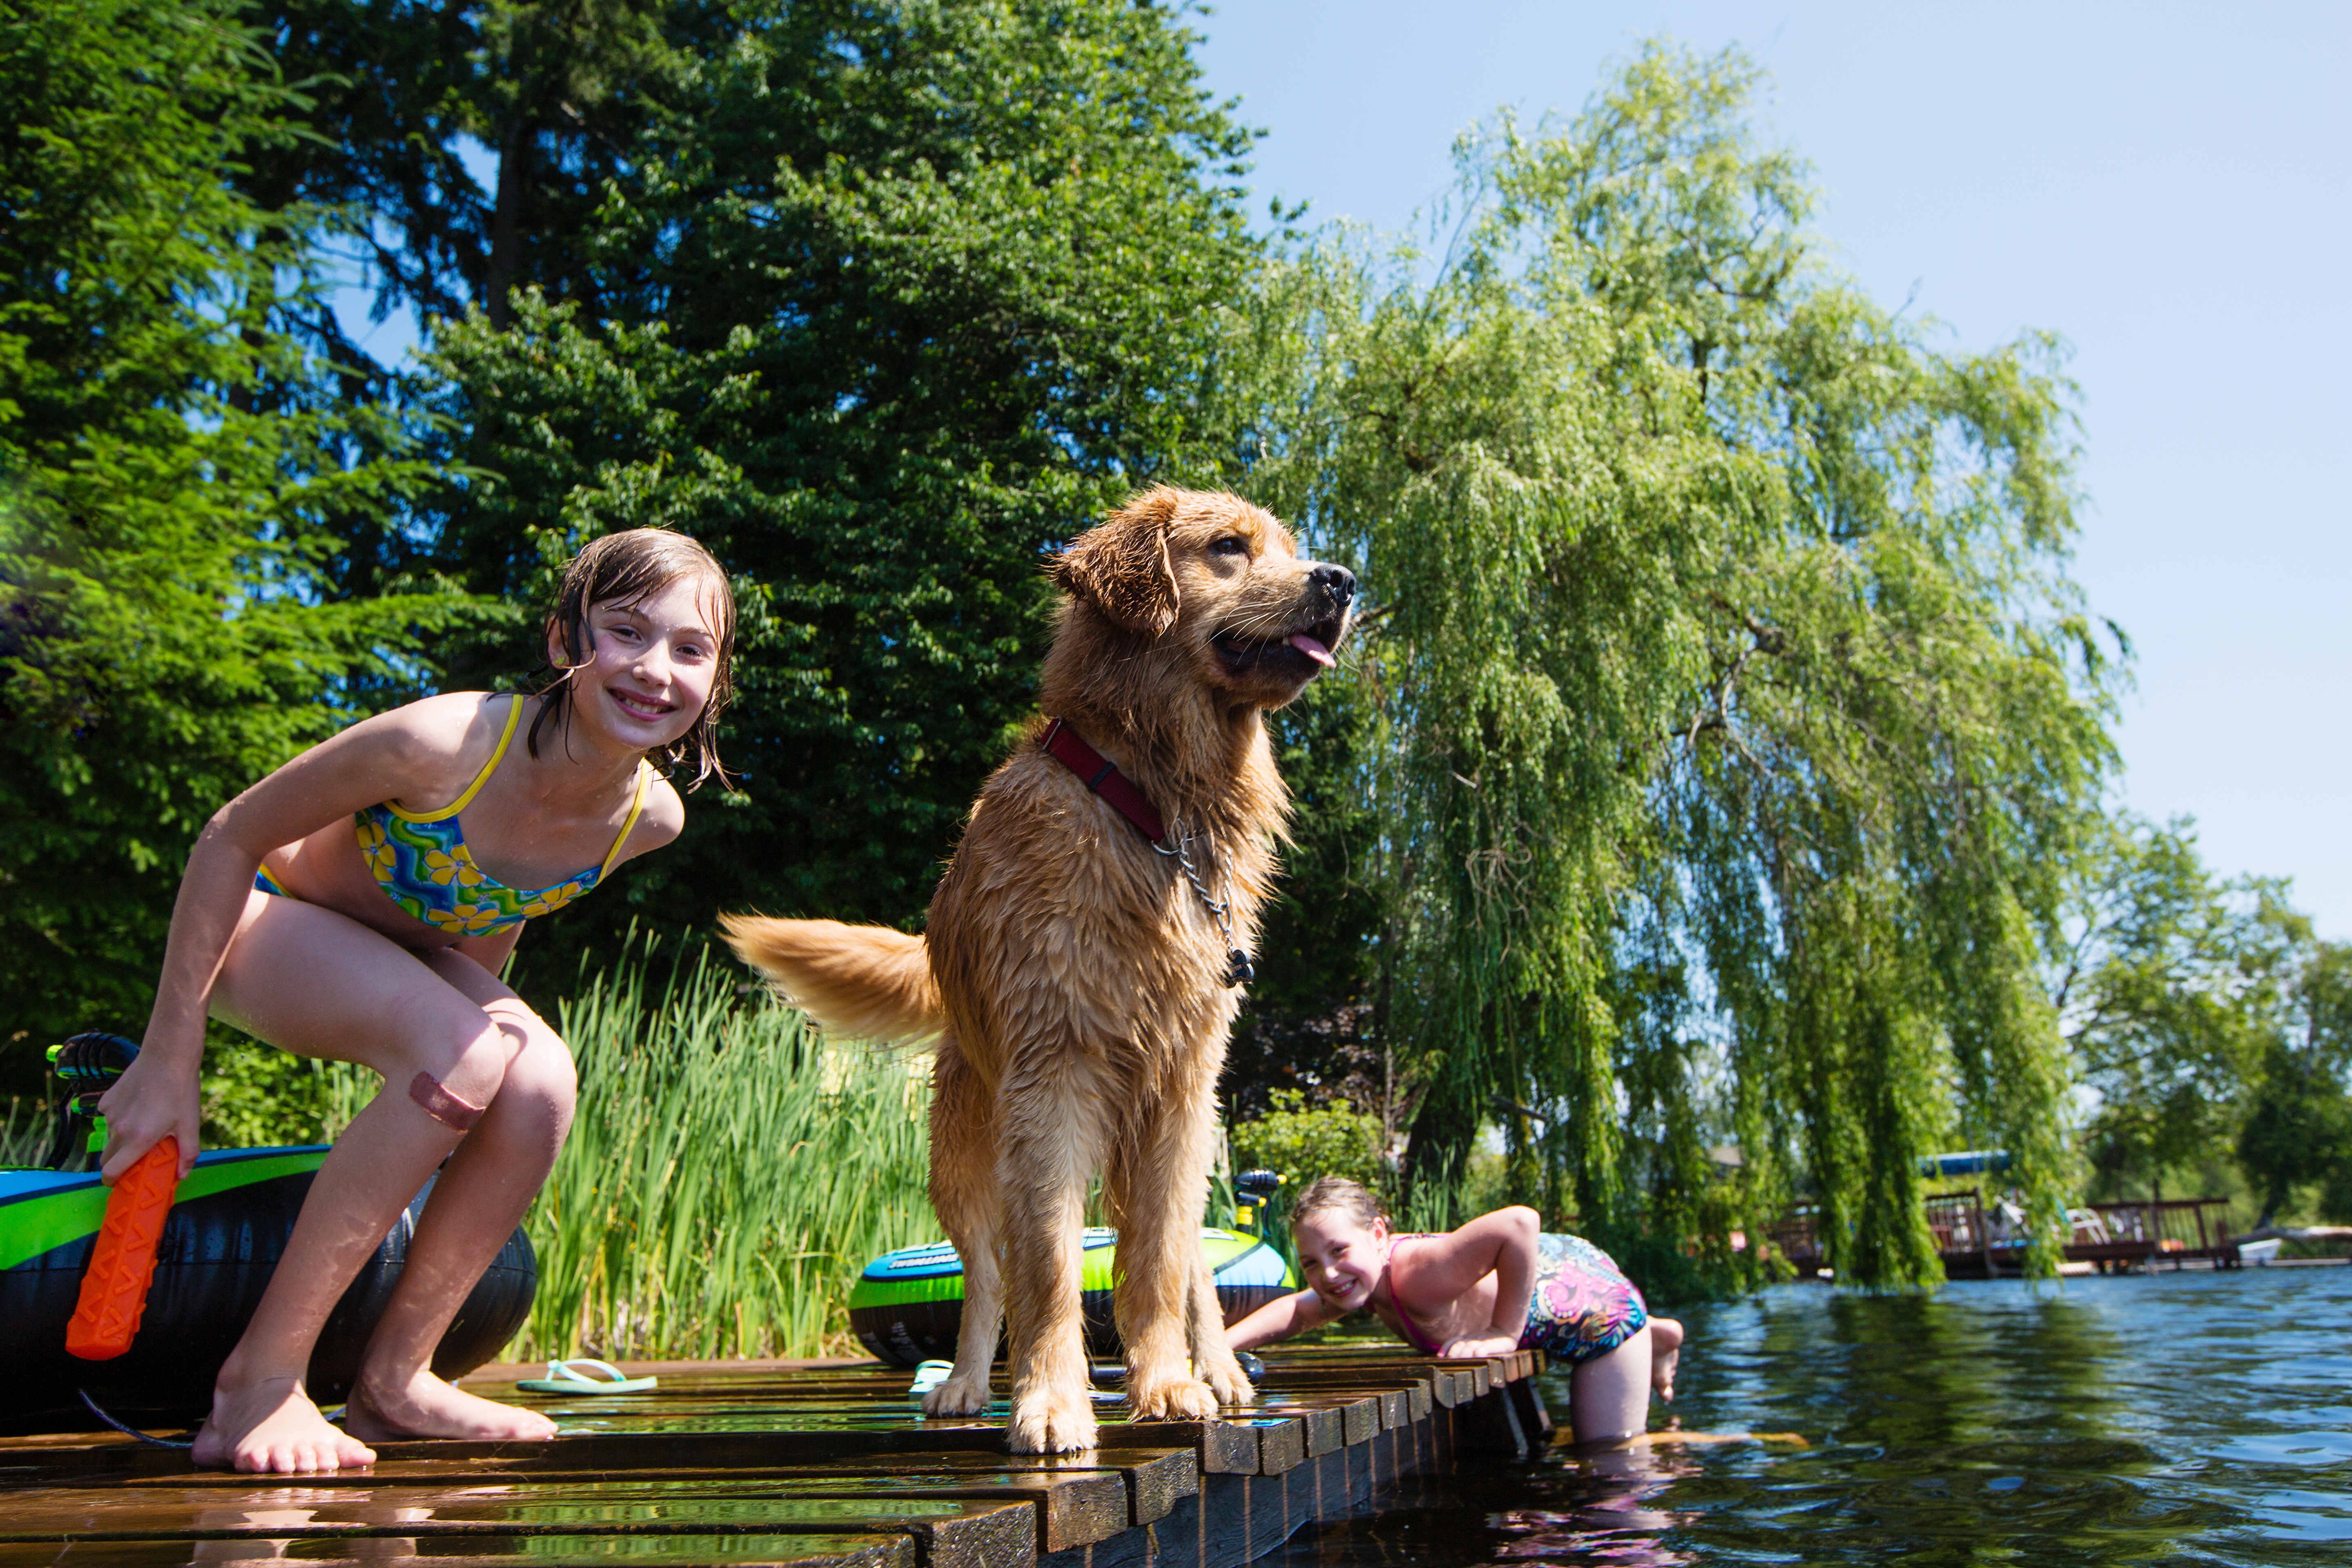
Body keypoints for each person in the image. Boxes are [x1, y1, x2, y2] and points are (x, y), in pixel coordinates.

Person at [95, 529, 736, 1474]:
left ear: (715, 681)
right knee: (468, 1049)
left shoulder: (646, 819)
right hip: (264, 919)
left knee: (542, 1078)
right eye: (626, 632)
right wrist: (167, 1058)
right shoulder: (443, 742)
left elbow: (494, 913)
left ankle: (396, 1380)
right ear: (564, 641)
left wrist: (474, 1082)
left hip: (393, 954)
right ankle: (257, 1385)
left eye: (690, 648)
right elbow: (229, 835)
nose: (654, 669)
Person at [1225, 1176, 1685, 1444]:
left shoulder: (1419, 1276)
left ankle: (1643, 1334)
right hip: (1561, 1273)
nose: (1327, 1274)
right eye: (1310, 1263)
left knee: (1607, 1460)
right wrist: (1216, 1347)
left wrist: (1504, 1332)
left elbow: (1520, 1222)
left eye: (1338, 1251)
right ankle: (1660, 1336)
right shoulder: (1357, 1280)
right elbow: (1299, 1313)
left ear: (1380, 1235)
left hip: (1597, 1316)